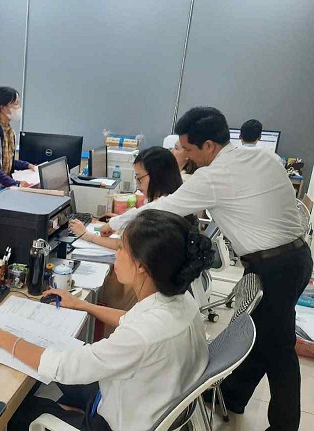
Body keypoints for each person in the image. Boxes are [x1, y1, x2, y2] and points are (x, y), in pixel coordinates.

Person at [102, 107, 312, 431]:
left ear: (209, 146)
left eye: (188, 148)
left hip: (275, 267)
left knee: (280, 349)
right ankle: (234, 396)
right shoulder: (265, 158)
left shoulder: (215, 176)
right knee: (263, 333)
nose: (185, 155)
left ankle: (284, 427)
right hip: (296, 258)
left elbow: (165, 207)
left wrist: (115, 224)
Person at [0, 210, 212, 430]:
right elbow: (131, 320)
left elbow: (64, 366)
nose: (115, 254)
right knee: (43, 377)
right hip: (138, 396)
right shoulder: (180, 300)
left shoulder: (143, 336)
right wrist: (82, 305)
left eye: (121, 248)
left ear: (142, 266)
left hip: (114, 422)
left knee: (10, 410)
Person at [70, 146, 190, 315]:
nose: (138, 185)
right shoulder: (172, 201)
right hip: (168, 286)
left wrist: (86, 235)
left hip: (153, 288)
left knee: (106, 280)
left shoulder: (161, 215)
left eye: (139, 178)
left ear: (157, 176)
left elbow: (121, 244)